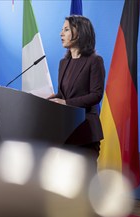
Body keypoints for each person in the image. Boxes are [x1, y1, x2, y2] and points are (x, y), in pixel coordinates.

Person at [47, 15, 105, 173]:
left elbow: (96, 95)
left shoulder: (95, 61)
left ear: (79, 32)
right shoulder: (63, 63)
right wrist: (52, 98)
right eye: (62, 29)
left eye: (66, 29)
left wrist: (65, 103)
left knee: (84, 187)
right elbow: (64, 94)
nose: (61, 33)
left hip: (86, 132)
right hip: (66, 132)